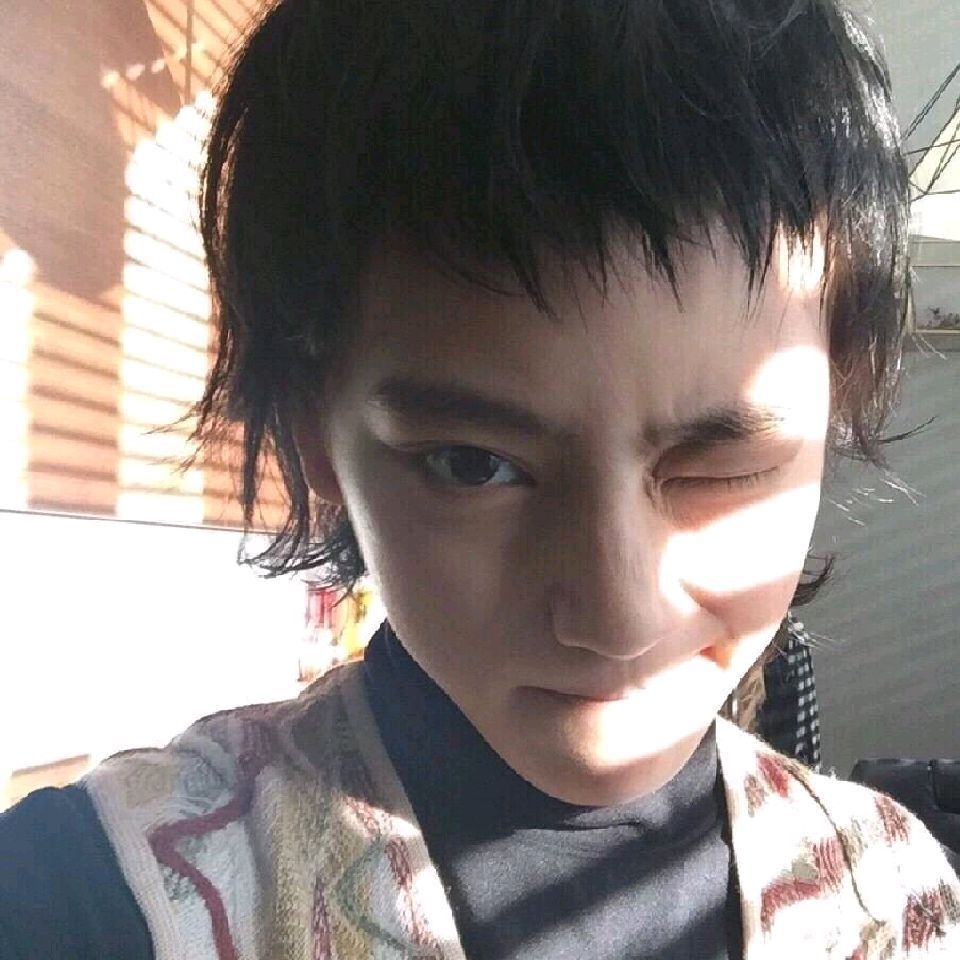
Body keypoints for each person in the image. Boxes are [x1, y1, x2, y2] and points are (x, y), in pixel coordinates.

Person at [2, 0, 958, 957]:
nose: (616, 617)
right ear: (316, 435)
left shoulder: (899, 897)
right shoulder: (99, 894)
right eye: (472, 465)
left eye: (725, 468)